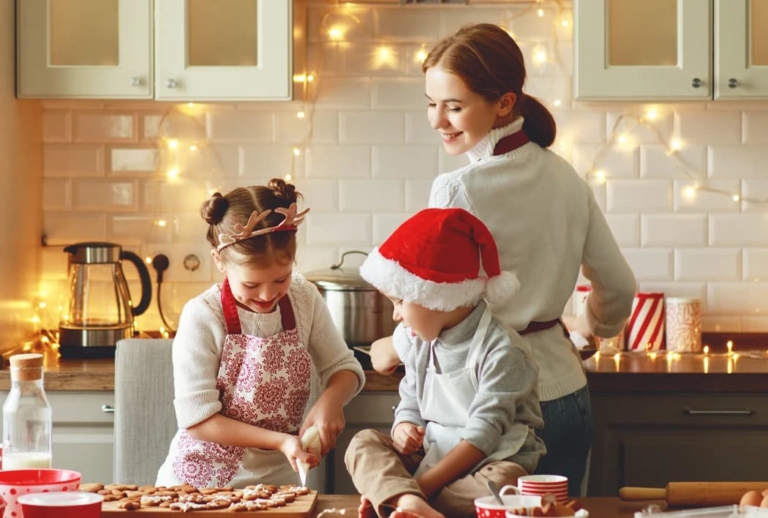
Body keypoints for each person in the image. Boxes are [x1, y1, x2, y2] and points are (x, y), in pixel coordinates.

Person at [370, 23, 637, 496]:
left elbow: (432, 296)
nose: (437, 120)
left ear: (504, 102)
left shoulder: (456, 188)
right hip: (567, 393)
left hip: (486, 402)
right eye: (432, 104)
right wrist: (590, 328)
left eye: (454, 106)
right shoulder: (566, 177)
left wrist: (394, 346)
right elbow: (617, 287)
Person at [155, 179, 365, 489]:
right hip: (200, 484)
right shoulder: (203, 315)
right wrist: (281, 441)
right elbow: (197, 419)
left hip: (276, 483)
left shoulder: (303, 298)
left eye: (281, 279)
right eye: (251, 285)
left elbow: (345, 368)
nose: (268, 295)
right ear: (219, 261)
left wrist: (330, 401)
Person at [346, 207, 546, 518]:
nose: (396, 315)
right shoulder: (418, 340)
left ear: (437, 297)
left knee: (503, 483)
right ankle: (409, 505)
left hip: (488, 460)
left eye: (400, 302)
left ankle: (399, 501)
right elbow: (411, 398)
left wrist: (420, 487)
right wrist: (404, 426)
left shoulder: (503, 351)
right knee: (362, 443)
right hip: (432, 455)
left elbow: (483, 437)